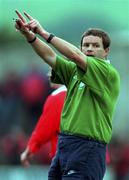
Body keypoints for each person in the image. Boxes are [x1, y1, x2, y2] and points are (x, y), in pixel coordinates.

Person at [14, 10, 120, 180]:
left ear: (106, 51)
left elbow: (75, 56)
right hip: (65, 144)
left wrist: (43, 33)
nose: (90, 49)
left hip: (88, 146)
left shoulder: (107, 72)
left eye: (95, 45)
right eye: (86, 45)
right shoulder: (75, 71)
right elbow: (49, 56)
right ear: (81, 47)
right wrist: (29, 37)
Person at [20, 70, 67, 166]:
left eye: (52, 70)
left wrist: (30, 148)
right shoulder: (81, 93)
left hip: (66, 157)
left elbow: (44, 130)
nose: (48, 74)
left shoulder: (57, 97)